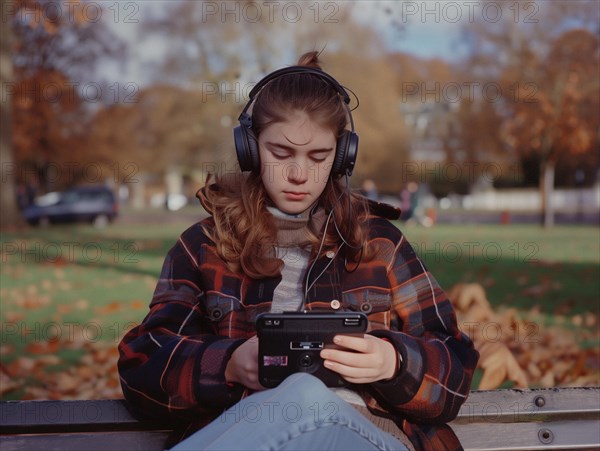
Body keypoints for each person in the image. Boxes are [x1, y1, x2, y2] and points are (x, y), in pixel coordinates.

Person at [118, 52, 479, 451]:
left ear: (342, 157)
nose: (298, 174)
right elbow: (141, 370)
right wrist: (230, 364)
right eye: (281, 153)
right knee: (299, 397)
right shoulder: (204, 245)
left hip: (369, 435)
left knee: (306, 395)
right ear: (249, 149)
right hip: (257, 430)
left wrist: (393, 362)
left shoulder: (380, 244)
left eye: (318, 157)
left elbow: (455, 369)